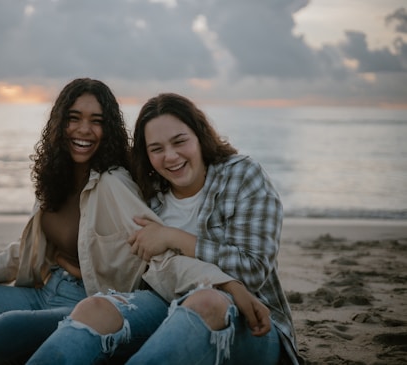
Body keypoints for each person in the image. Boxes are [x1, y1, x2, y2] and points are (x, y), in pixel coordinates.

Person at [27, 93, 303, 365]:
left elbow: (253, 270)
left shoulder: (242, 176)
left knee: (206, 300)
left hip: (251, 325)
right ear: (146, 155)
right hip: (166, 309)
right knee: (95, 308)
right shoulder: (151, 194)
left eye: (179, 141)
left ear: (199, 137)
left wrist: (174, 237)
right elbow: (143, 271)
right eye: (156, 149)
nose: (171, 157)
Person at [0, 78, 164, 360]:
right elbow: (30, 248)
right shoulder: (54, 176)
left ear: (108, 128)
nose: (84, 130)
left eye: (96, 121)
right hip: (42, 292)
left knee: (3, 331)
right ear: (59, 122)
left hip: (84, 304)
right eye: (73, 118)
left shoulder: (114, 183)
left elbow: (156, 244)